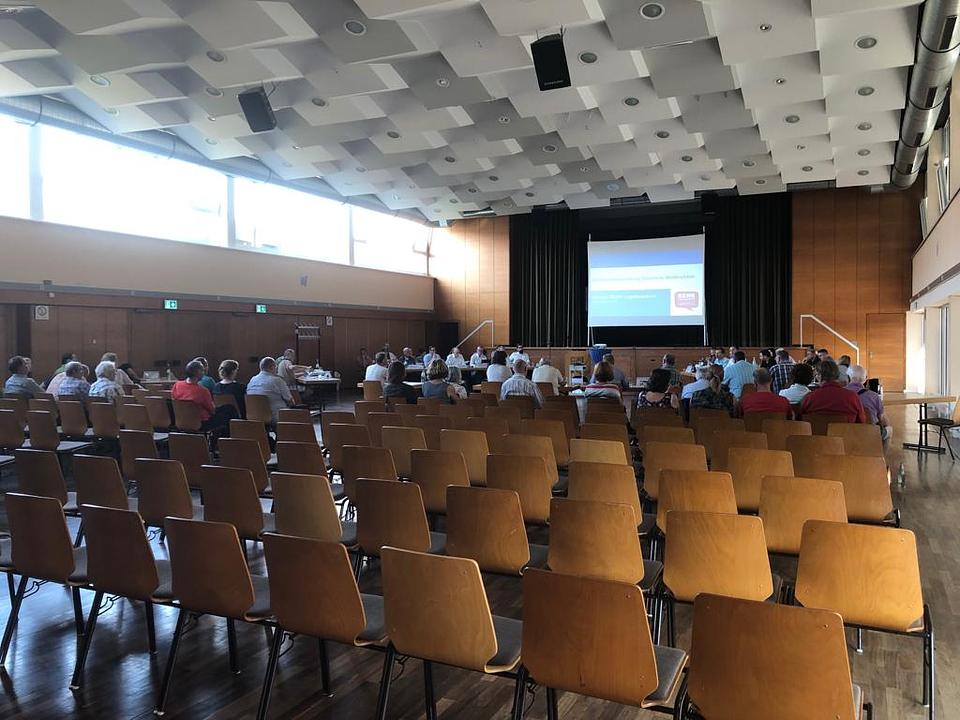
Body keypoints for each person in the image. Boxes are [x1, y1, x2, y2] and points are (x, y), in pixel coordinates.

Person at [172, 360, 237, 438]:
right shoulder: (202, 391)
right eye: (202, 370)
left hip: (182, 420)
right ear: (198, 372)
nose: (204, 372)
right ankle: (230, 438)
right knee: (230, 409)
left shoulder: (177, 385)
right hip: (201, 423)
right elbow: (212, 411)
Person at [798, 360, 867, 423]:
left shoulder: (809, 398)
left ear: (820, 375)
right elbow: (862, 421)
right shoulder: (852, 397)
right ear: (837, 375)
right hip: (846, 432)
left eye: (816, 375)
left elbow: (800, 421)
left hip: (816, 433)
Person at [846, 364, 892, 440]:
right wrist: (887, 426)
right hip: (869, 433)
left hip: (846, 432)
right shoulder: (874, 396)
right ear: (865, 379)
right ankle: (880, 448)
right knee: (889, 429)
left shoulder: (841, 393)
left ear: (849, 377)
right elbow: (881, 418)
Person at [247, 356, 294, 424]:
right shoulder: (277, 380)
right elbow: (290, 401)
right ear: (272, 367)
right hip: (276, 416)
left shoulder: (252, 380)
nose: (277, 370)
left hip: (255, 416)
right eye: (276, 367)